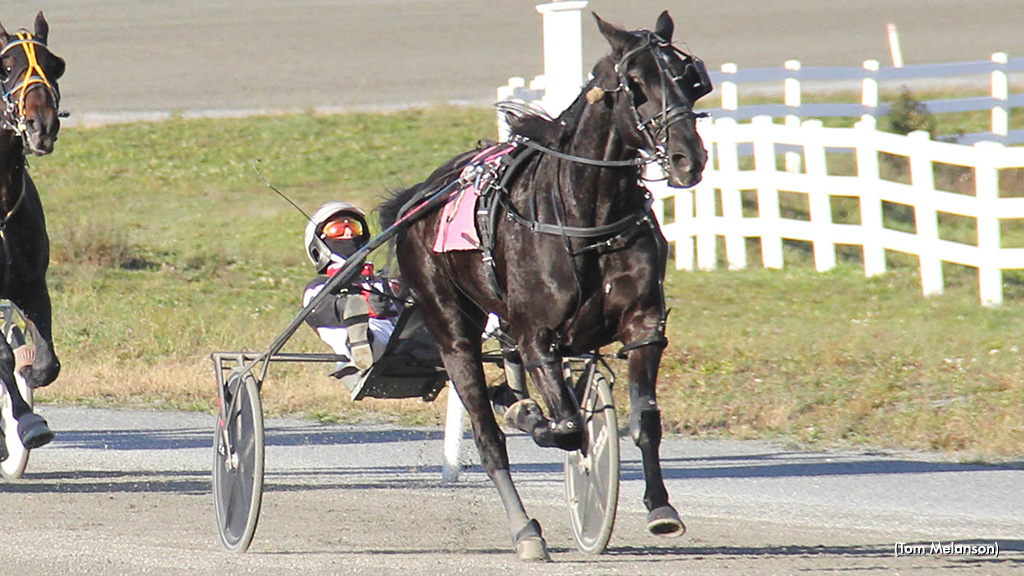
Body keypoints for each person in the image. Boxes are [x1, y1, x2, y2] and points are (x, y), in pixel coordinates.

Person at [302, 202, 400, 380]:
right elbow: (319, 312)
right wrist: (366, 306)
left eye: (354, 228)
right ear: (320, 241)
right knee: (362, 324)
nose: (348, 233)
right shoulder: (319, 287)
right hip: (358, 335)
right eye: (338, 229)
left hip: (404, 339)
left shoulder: (382, 282)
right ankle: (363, 341)